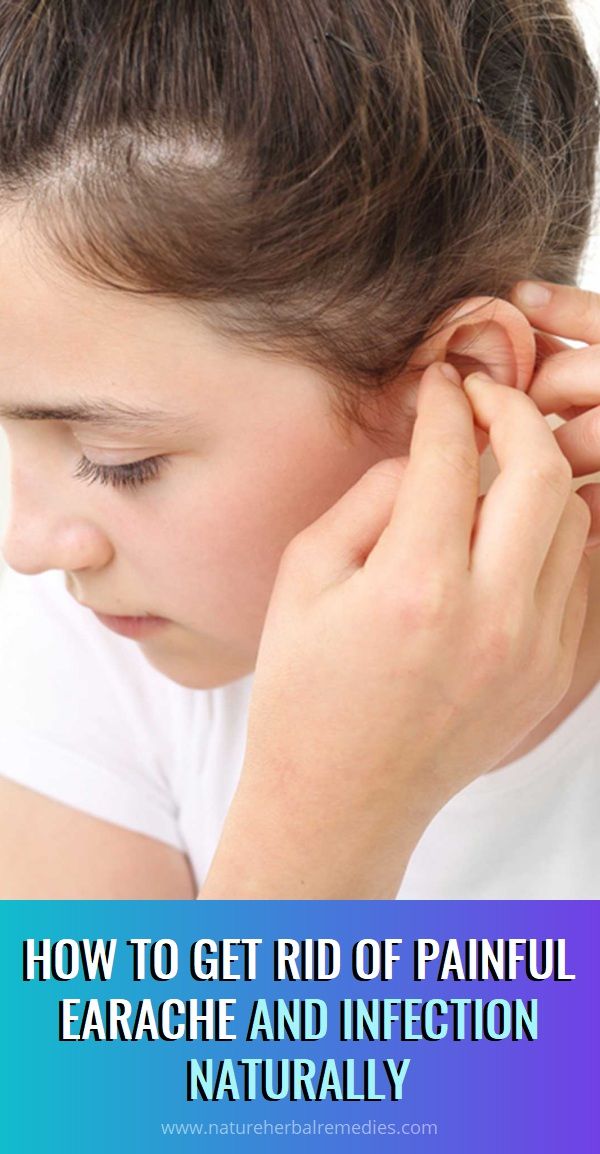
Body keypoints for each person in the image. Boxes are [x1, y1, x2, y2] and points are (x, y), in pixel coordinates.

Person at [0, 0, 599, 898]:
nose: (27, 547)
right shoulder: (86, 659)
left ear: (465, 380)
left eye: (117, 458)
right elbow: (86, 1005)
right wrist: (324, 824)